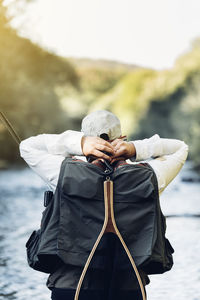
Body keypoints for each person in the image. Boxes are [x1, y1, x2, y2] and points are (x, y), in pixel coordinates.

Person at [20, 110, 188, 300]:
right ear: (122, 138)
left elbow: (27, 146)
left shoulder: (61, 172)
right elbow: (180, 148)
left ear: (85, 138)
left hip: (71, 288)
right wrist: (135, 148)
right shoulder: (151, 176)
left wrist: (79, 144)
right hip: (129, 289)